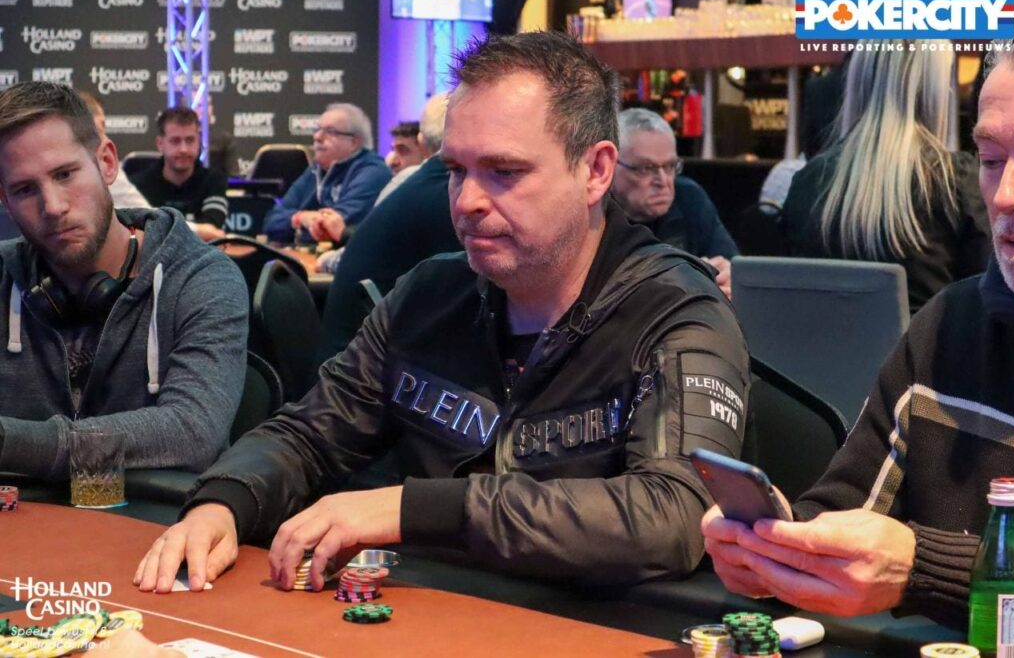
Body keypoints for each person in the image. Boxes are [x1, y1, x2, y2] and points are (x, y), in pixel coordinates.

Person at [134, 31, 750, 594]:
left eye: (504, 171)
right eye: (456, 170)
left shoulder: (678, 311)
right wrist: (224, 501)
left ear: (595, 170)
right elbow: (307, 435)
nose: (468, 201)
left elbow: (672, 514)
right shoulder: (430, 292)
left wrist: (410, 509)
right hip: (430, 614)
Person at [702, 24, 1014, 631]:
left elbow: (911, 565)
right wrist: (780, 548)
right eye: (989, 160)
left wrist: (923, 568)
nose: (1005, 195)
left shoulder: (807, 183)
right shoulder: (946, 325)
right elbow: (846, 507)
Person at [0, 82, 248, 479]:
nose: (53, 207)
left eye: (65, 174)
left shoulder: (201, 277)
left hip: (156, 516)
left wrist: (11, 443)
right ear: (5, 202)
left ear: (107, 162)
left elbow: (193, 432)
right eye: (25, 189)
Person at [782, 41, 991, 312]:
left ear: (856, 81)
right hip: (931, 339)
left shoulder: (807, 182)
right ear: (936, 90)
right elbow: (990, 300)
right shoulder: (958, 181)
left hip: (819, 339)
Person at [313, 93, 451, 276]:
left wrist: (334, 248)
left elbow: (367, 250)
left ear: (423, 146)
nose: (392, 160)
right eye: (393, 150)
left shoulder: (404, 178)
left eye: (403, 151)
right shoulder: (319, 169)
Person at [611, 108, 737, 299]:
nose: (663, 181)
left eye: (670, 166)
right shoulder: (592, 213)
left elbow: (733, 267)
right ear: (609, 166)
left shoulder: (689, 198)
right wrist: (687, 279)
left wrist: (729, 276)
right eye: (646, 168)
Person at [263, 103, 391, 244]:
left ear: (354, 142)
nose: (317, 137)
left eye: (330, 132)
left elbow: (335, 229)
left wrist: (301, 223)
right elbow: (271, 223)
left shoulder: (373, 172)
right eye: (317, 129)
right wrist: (301, 218)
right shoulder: (314, 170)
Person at [129, 107, 229, 242]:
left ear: (199, 141)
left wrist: (161, 227)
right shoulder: (139, 185)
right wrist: (200, 230)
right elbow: (138, 232)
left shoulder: (214, 180)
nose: (183, 149)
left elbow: (212, 230)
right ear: (160, 144)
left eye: (190, 140)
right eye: (175, 141)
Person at [76, 91, 151, 210]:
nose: (105, 139)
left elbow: (144, 213)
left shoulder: (105, 165)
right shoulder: (101, 163)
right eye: (101, 126)